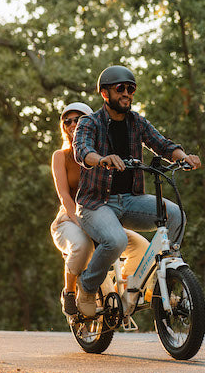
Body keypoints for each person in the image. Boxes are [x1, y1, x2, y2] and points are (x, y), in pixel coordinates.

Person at [72, 65, 202, 317]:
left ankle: (164, 274)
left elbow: (162, 144)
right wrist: (101, 159)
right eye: (120, 88)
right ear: (105, 93)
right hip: (95, 204)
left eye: (131, 89)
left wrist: (184, 157)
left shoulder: (136, 122)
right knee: (116, 240)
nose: (127, 93)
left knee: (175, 215)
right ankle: (87, 287)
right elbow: (82, 151)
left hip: (131, 199)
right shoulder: (89, 122)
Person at [50, 102, 147, 317]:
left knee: (142, 246)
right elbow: (64, 195)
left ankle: (127, 293)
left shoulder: (101, 156)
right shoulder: (61, 156)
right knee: (82, 245)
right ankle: (70, 290)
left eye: (78, 119)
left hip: (101, 216)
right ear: (63, 127)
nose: (73, 124)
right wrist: (78, 220)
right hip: (70, 218)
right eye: (68, 121)